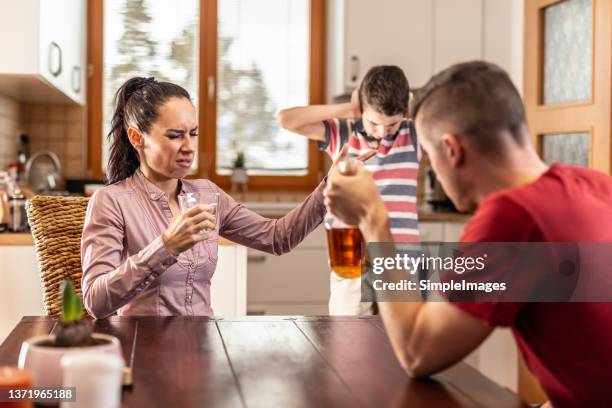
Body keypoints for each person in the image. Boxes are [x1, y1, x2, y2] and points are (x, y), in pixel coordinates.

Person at [324, 61, 612, 407]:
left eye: (428, 157)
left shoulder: (511, 219)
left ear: (451, 150)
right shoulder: (596, 185)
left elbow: (418, 353)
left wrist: (373, 219)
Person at [80, 77, 347, 318]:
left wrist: (332, 181)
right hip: (144, 350)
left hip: (203, 348)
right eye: (174, 135)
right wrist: (166, 246)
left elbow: (278, 238)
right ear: (137, 137)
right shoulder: (111, 201)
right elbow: (96, 301)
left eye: (193, 133)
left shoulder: (207, 194)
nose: (189, 147)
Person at [278, 65, 419, 315]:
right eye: (375, 123)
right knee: (350, 340)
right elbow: (287, 120)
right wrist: (348, 109)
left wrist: (414, 103)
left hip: (400, 259)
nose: (383, 133)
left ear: (404, 113)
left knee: (401, 344)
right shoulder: (344, 133)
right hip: (350, 256)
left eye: (392, 125)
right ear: (362, 110)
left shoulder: (412, 135)